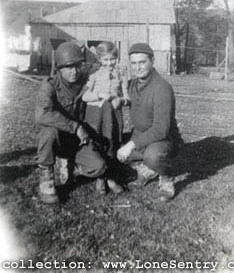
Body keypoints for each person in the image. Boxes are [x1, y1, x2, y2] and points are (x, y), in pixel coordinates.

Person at [35, 42, 108, 204]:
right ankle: (46, 176)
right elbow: (42, 115)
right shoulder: (49, 86)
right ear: (59, 68)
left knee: (99, 167)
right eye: (68, 67)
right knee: (48, 132)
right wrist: (75, 127)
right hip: (58, 138)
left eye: (77, 66)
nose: (74, 71)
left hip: (77, 140)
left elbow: (103, 73)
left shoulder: (85, 81)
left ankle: (70, 166)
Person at [117, 43, 183, 201]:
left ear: (152, 61)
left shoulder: (162, 88)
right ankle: (148, 169)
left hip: (163, 139)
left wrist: (130, 145)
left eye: (142, 62)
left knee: (153, 156)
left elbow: (161, 129)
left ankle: (167, 177)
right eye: (133, 63)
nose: (137, 67)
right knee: (113, 151)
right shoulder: (132, 84)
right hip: (141, 135)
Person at [82, 41, 129, 192]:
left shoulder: (121, 75)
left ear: (117, 58)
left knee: (112, 143)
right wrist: (99, 94)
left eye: (112, 59)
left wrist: (120, 100)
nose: (109, 63)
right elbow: (85, 96)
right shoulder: (94, 76)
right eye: (106, 60)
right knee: (99, 142)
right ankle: (100, 178)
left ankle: (111, 177)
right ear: (100, 60)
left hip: (113, 115)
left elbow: (127, 98)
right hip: (96, 115)